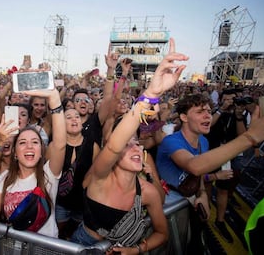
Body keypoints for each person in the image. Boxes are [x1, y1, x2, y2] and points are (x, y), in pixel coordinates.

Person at [70, 38, 187, 254]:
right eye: (128, 144)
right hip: (82, 245)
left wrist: (138, 249)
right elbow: (114, 143)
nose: (137, 148)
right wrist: (151, 94)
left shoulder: (148, 192)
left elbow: (162, 233)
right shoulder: (101, 176)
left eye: (138, 144)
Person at [156, 92, 264, 254]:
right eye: (200, 112)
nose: (208, 116)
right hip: (169, 208)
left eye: (209, 111)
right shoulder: (171, 141)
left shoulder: (203, 140)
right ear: (183, 117)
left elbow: (199, 173)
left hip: (190, 202)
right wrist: (251, 136)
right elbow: (195, 166)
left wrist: (203, 193)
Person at [0, 88, 66, 254]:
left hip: (46, 250)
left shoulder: (49, 174)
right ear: (14, 152)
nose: (29, 146)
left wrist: (55, 101)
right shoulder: (5, 178)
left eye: (35, 142)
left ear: (42, 150)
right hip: (14, 249)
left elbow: (59, 144)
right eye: (22, 142)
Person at [205, 89, 246, 243]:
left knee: (223, 190)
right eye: (227, 99)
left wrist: (239, 116)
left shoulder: (239, 114)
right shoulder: (213, 111)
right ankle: (206, 212)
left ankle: (220, 221)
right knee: (207, 184)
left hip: (227, 157)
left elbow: (242, 136)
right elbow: (209, 125)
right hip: (210, 154)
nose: (230, 102)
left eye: (233, 99)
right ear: (221, 100)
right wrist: (221, 110)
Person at [55, 108, 100, 240]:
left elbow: (96, 177)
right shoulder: (55, 145)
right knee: (59, 236)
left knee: (74, 237)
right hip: (60, 204)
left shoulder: (93, 145)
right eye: (68, 117)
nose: (74, 119)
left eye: (77, 116)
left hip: (82, 205)